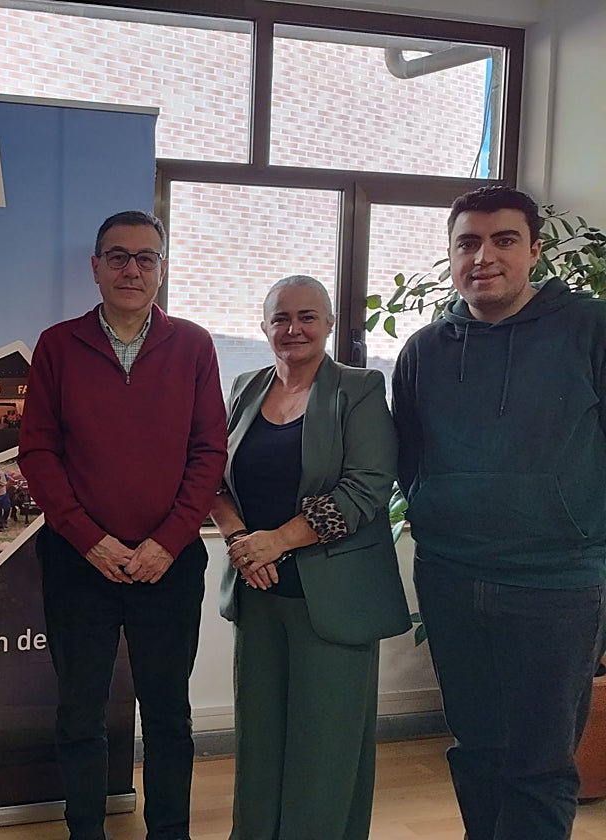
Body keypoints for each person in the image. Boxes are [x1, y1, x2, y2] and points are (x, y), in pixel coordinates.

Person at [392, 185, 606, 840]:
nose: (484, 256)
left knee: (538, 766)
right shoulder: (424, 351)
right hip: (452, 581)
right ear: (452, 254)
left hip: (557, 586)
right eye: (468, 242)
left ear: (535, 250)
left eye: (504, 240)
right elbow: (410, 459)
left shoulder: (590, 330)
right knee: (477, 751)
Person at [19, 210, 227, 840]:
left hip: (171, 565)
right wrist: (91, 540)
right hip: (80, 565)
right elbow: (38, 454)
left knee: (168, 715)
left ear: (162, 268)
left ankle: (169, 830)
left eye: (146, 257)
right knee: (80, 712)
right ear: (96, 268)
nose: (132, 269)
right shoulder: (58, 345)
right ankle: (86, 829)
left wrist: (167, 543)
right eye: (118, 256)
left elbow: (209, 453)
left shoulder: (193, 346)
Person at [210, 275, 410, 840]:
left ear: (327, 324)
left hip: (333, 603)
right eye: (281, 318)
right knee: (259, 742)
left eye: (307, 316)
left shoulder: (361, 388)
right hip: (259, 594)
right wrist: (241, 543)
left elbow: (365, 490)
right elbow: (212, 480)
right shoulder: (246, 387)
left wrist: (277, 541)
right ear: (265, 325)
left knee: (324, 750)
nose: (292, 328)